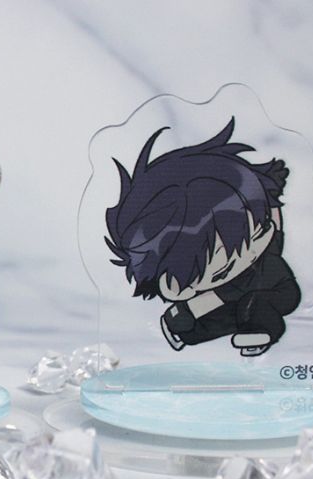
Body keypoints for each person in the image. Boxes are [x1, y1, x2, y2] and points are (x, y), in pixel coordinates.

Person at [104, 118, 301, 357]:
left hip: (279, 292)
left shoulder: (261, 255)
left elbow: (273, 223)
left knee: (250, 306)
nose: (247, 253)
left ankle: (261, 332)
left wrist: (271, 192)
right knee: (231, 312)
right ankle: (188, 334)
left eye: (259, 232)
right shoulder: (211, 270)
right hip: (235, 297)